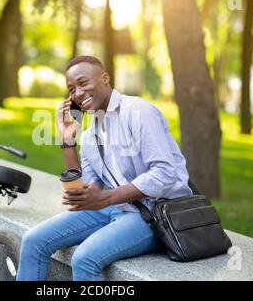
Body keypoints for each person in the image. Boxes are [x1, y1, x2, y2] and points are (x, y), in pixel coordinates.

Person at [16, 55, 193, 281]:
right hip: (115, 207)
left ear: (105, 78)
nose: (78, 93)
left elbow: (165, 173)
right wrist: (67, 140)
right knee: (33, 241)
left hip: (155, 213)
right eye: (71, 89)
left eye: (83, 83)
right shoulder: (91, 135)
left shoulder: (138, 112)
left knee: (84, 258)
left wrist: (107, 198)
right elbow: (85, 191)